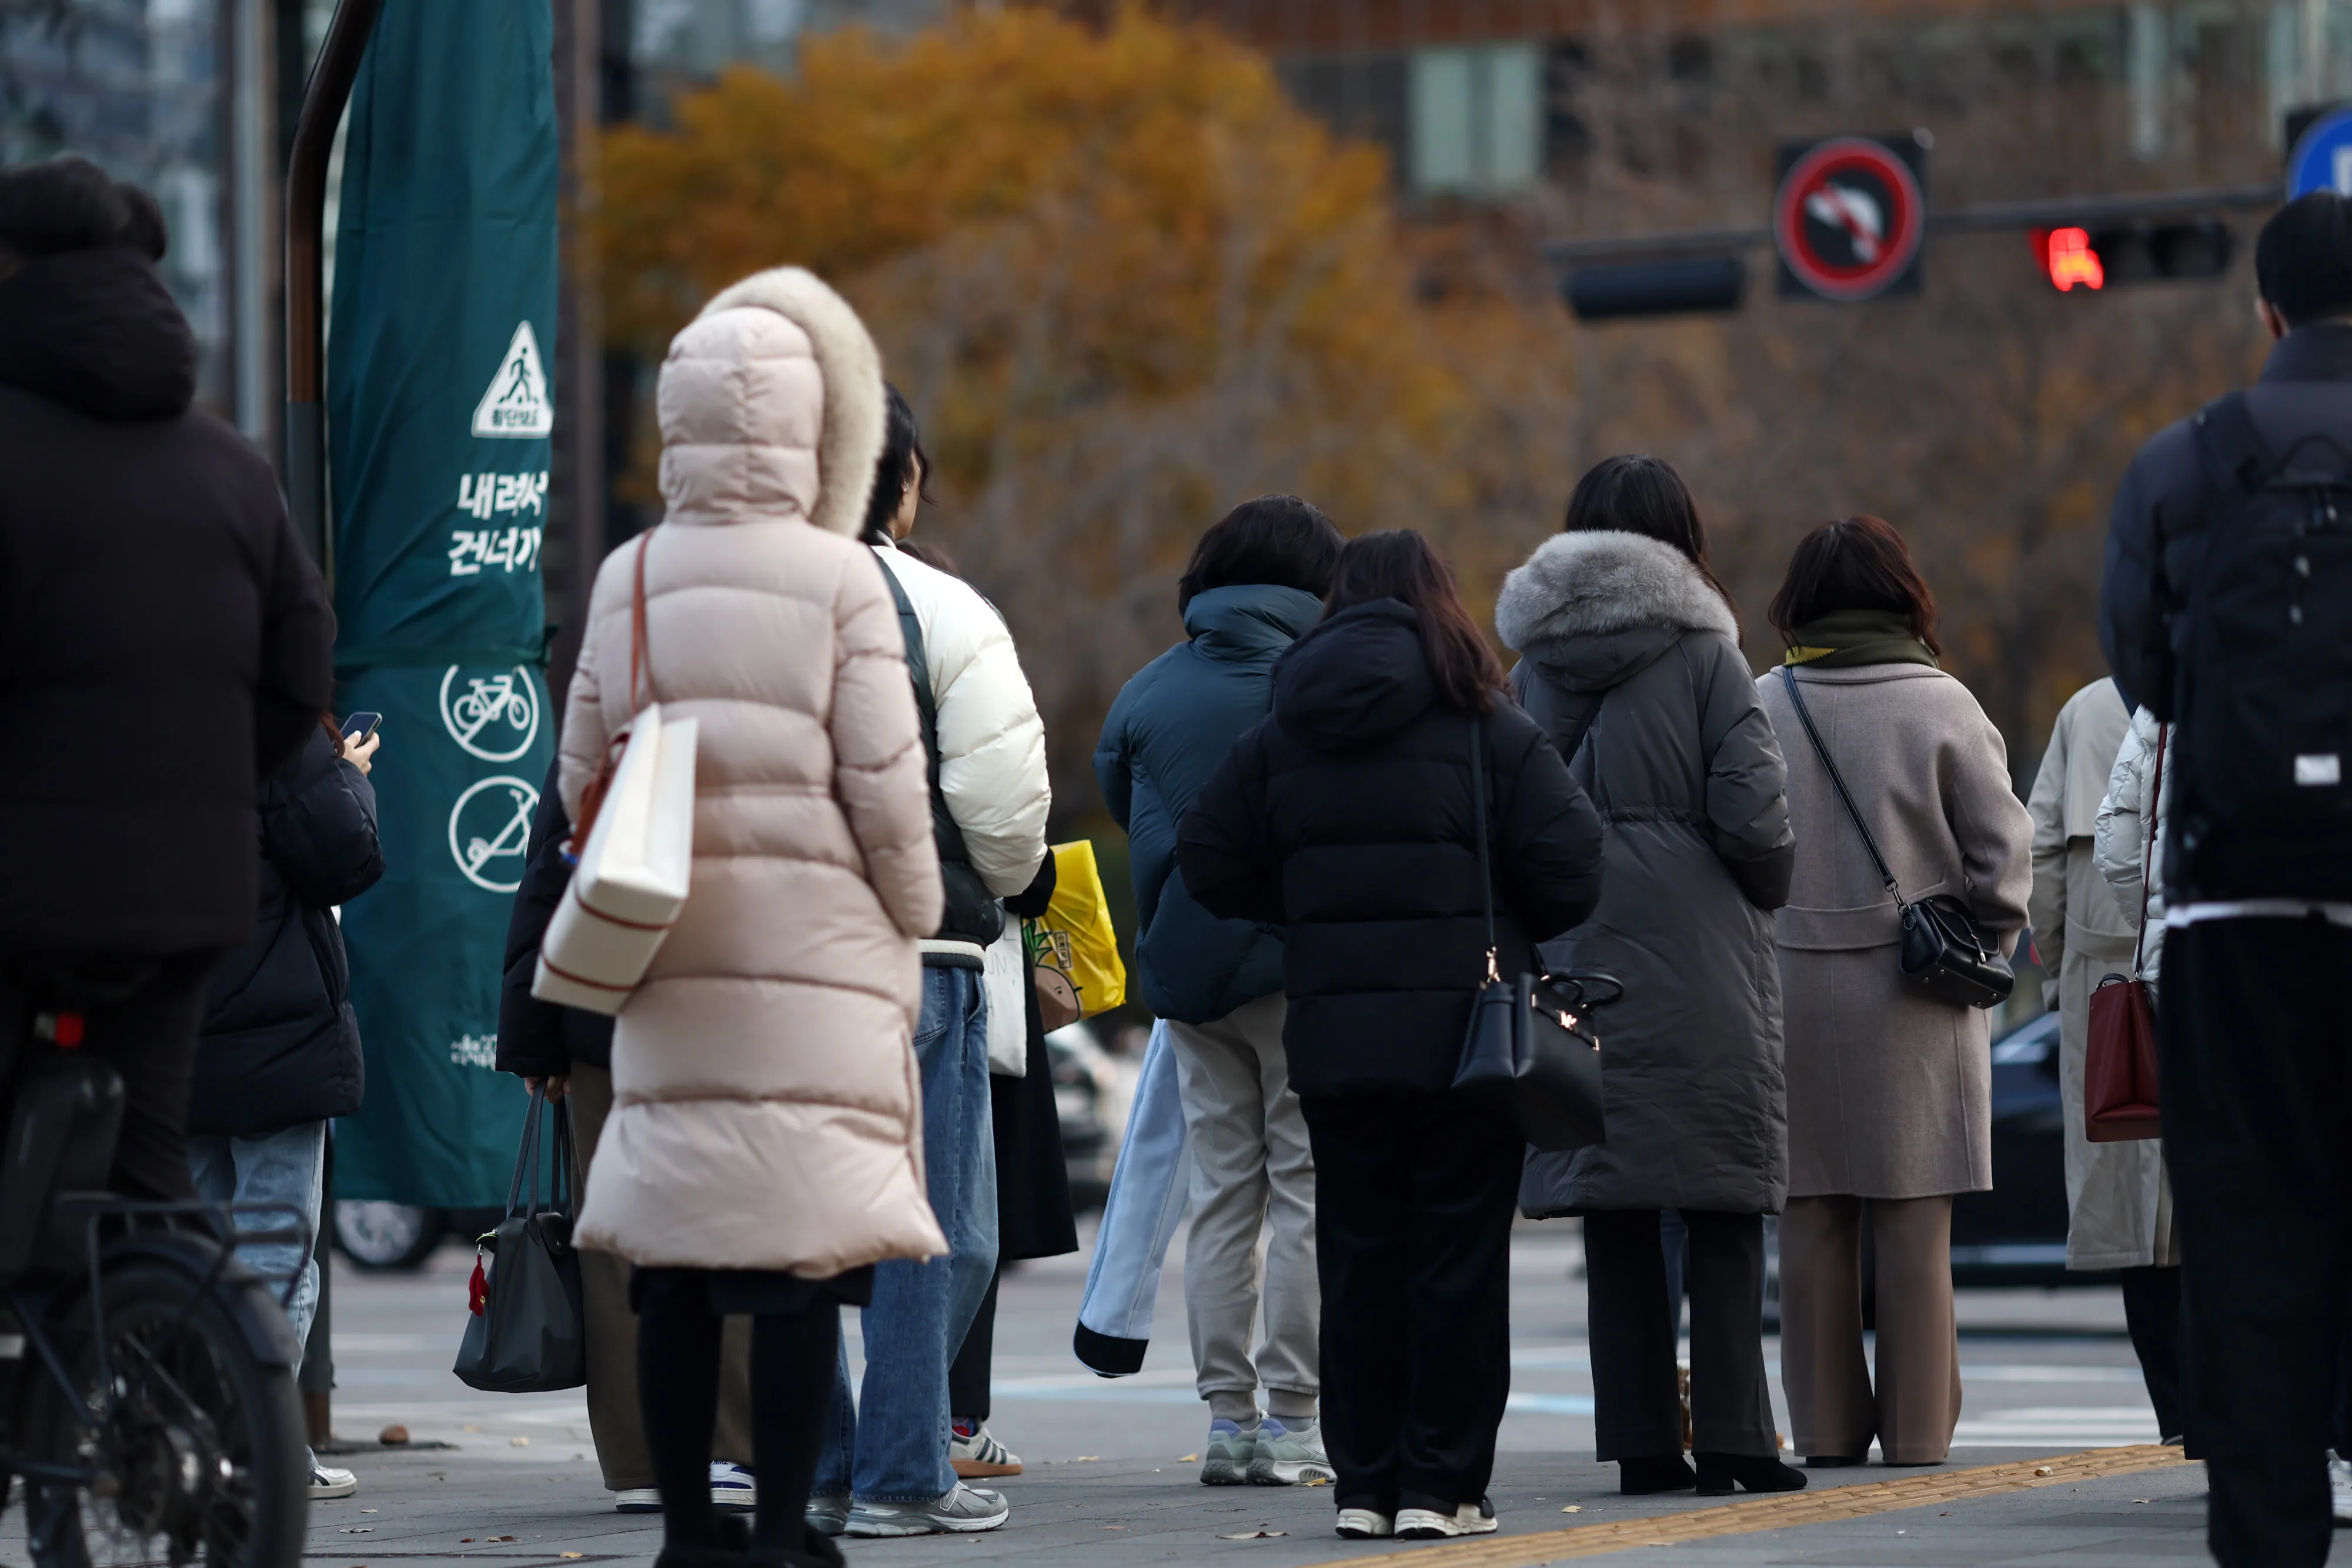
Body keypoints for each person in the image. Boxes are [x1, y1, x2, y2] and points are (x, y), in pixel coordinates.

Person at [560, 266, 947, 1568]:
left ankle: (687, 1533)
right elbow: (888, 788)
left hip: (671, 947)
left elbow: (579, 782)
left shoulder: (634, 579)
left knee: (670, 1257)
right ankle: (784, 1533)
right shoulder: (840, 584)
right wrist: (911, 911)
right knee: (792, 1269)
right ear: (810, 430)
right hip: (813, 957)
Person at [1180, 529, 1605, 1542]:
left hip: (1334, 1039)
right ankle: (1441, 1485)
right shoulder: (1485, 726)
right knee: (1456, 1256)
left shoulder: (1285, 727)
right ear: (1439, 603)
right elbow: (1576, 863)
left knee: (1358, 1254)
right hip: (1467, 1039)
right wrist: (1503, 916)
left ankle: (1363, 1486)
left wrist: (1304, 911)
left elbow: (1207, 856)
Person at [0, 155, 333, 1201]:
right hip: (191, 890)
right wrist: (196, 786)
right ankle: (193, 1345)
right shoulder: (231, 469)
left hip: (23, 889)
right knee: (151, 1167)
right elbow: (299, 672)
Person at [2099, 190, 2352, 1566]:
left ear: (2262, 309)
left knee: (2251, 1246)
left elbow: (2146, 674)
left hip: (2233, 905)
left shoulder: (2183, 465)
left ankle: (2268, 1539)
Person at [1497, 455, 1803, 1499]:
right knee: (1721, 1199)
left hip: (1576, 951)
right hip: (1700, 949)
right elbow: (1756, 817)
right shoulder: (1711, 657)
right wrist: (1759, 884)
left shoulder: (1525, 667)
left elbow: (1510, 819)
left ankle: (1639, 1443)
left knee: (1616, 1206)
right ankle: (1736, 1440)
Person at [812, 384, 1050, 1538]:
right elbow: (1004, 810)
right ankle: (902, 1471)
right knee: (925, 1223)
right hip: (914, 947)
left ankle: (813, 1460)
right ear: (900, 478)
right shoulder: (938, 605)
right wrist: (1003, 883)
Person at [1758, 516, 2033, 1470]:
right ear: (1903, 595)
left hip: (1789, 985)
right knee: (1915, 1228)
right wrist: (1980, 943)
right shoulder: (1943, 705)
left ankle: (1827, 1432)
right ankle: (1917, 1435)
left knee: (1811, 1219)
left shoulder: (1763, 704)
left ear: (1799, 604)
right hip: (1915, 998)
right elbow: (2005, 857)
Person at [1095, 496, 1346, 1486]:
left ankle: (1226, 1422)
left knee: (1222, 1197)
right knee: (1304, 1189)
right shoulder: (1319, 684)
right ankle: (1293, 1420)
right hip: (1295, 967)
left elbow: (1124, 805)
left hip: (1187, 971)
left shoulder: (1146, 689)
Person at [497, 770, 763, 1515]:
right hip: (720, 1007)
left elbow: (548, 881)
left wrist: (536, 1043)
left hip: (603, 1010)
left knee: (617, 1247)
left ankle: (642, 1458)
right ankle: (731, 1448)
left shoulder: (602, 711)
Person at [186, 715, 382, 1502]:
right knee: (277, 1248)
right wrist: (353, 775)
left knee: (195, 1249)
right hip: (278, 1029)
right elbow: (347, 856)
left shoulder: (144, 715)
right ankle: (259, 1443)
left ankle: (201, 1437)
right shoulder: (274, 725)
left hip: (179, 1026)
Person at [2036, 685, 2184, 1444]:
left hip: (2107, 982)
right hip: (2209, 961)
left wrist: (2057, 963)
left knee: (2135, 1228)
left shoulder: (2086, 709)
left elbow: (2043, 855)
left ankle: (2179, 1415)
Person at [1073, 1019, 1192, 1374]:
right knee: (1296, 1188)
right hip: (1292, 990)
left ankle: (1232, 1410)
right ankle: (1289, 1408)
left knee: (1225, 1196)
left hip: (1197, 990)